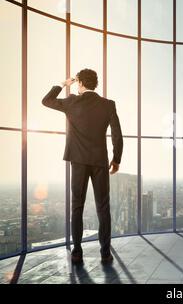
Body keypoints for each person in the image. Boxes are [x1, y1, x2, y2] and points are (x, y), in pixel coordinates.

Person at [42, 68, 123, 265]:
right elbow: (117, 135)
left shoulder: (71, 102)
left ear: (80, 83)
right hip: (99, 162)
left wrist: (63, 84)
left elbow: (46, 101)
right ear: (95, 84)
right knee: (103, 207)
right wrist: (116, 159)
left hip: (77, 161)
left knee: (77, 206)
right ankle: (105, 253)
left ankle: (77, 252)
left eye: (77, 83)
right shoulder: (108, 105)